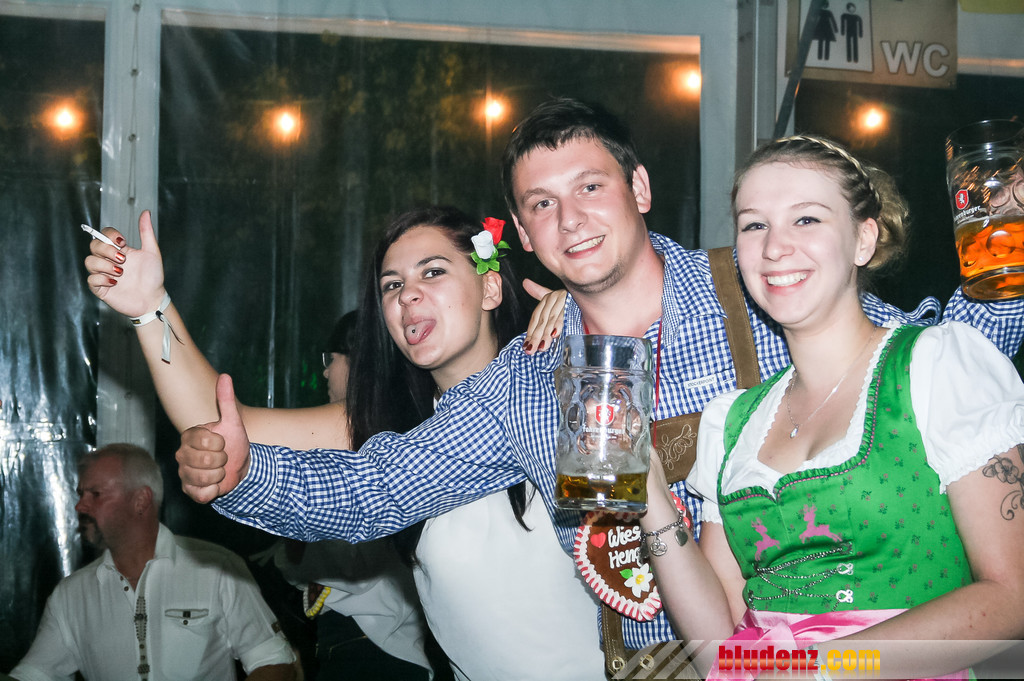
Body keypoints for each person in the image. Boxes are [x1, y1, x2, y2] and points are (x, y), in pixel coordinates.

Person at [169, 98, 1024, 657]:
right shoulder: (523, 382)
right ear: (524, 237)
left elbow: (931, 363)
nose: (569, 218)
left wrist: (1007, 255)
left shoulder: (764, 282)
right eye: (541, 204)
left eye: (589, 186)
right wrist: (244, 476)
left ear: (639, 187)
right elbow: (377, 487)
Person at [84, 206, 605, 680]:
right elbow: (222, 426)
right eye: (391, 285)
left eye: (432, 272)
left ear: (491, 289)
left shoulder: (557, 384)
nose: (407, 295)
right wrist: (149, 308)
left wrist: (590, 321)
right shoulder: (388, 427)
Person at [638, 135, 1024, 678]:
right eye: (754, 225)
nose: (775, 247)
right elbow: (719, 647)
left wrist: (822, 666)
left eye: (807, 219)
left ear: (864, 239)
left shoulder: (935, 365)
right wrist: (649, 493)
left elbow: (1012, 597)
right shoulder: (732, 423)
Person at [10, 443, 296, 681]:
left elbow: (274, 661)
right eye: (80, 494)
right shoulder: (70, 595)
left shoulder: (217, 568)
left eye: (95, 494)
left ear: (141, 500)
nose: (80, 506)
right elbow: (34, 674)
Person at [276, 309, 435, 680]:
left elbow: (353, 558)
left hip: (374, 647)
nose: (325, 372)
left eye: (330, 359)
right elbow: (299, 565)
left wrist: (299, 518)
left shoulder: (382, 445)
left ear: (358, 361)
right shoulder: (369, 437)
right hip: (351, 643)